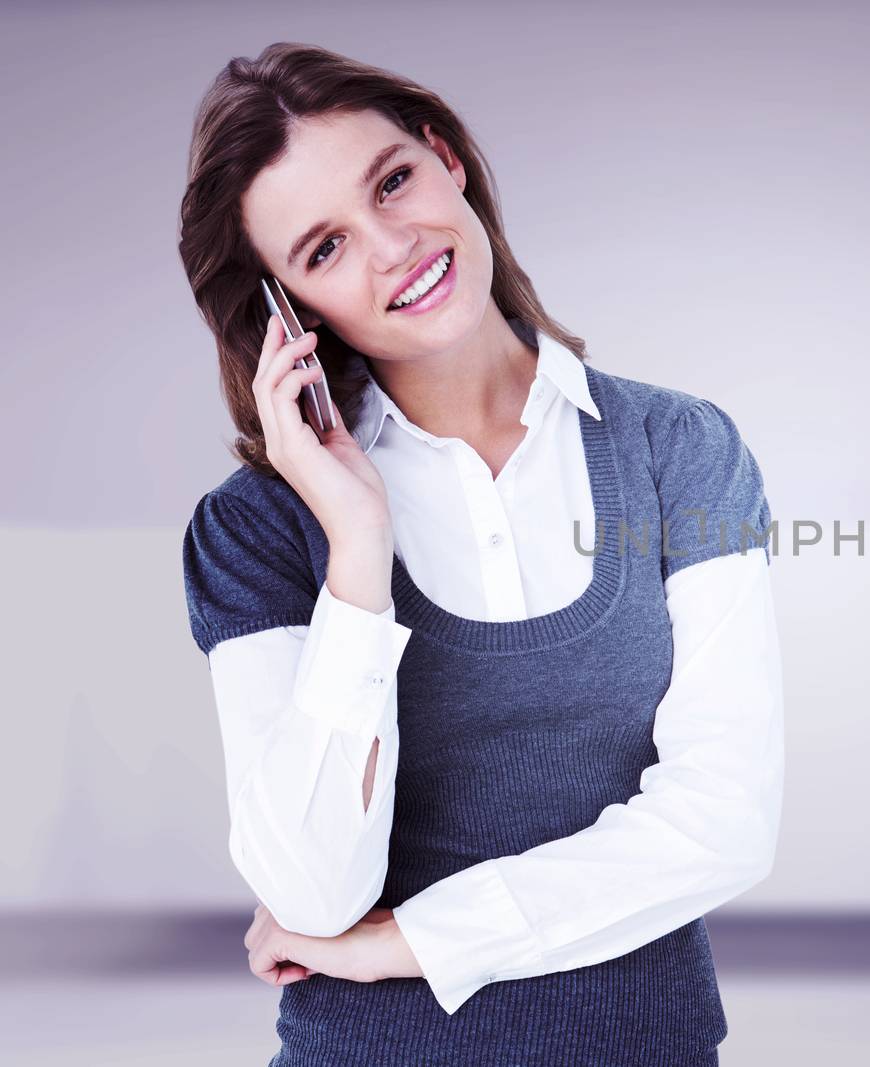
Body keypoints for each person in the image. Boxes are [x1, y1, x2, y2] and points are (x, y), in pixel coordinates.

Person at [177, 42, 783, 1065]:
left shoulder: (678, 450)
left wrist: (408, 944)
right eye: (323, 250)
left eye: (393, 183)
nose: (392, 247)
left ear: (446, 157)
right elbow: (312, 892)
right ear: (286, 313)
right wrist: (358, 551)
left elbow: (725, 819)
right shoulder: (259, 529)